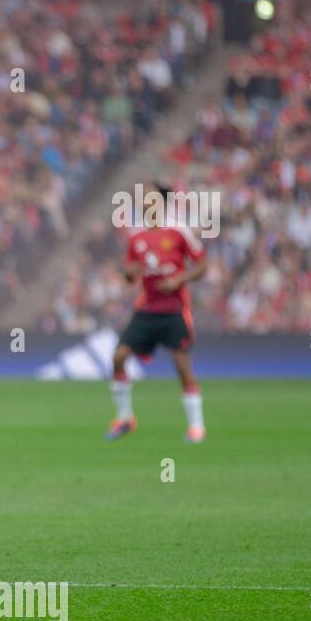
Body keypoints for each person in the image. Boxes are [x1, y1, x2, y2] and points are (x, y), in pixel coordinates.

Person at [108, 184, 209, 443]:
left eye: (151, 198)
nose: (145, 203)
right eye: (143, 199)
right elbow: (131, 271)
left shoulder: (178, 230)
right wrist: (129, 273)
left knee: (181, 364)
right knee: (119, 357)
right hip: (148, 308)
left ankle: (197, 427)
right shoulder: (136, 235)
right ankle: (125, 418)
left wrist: (179, 280)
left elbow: (202, 265)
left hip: (174, 309)